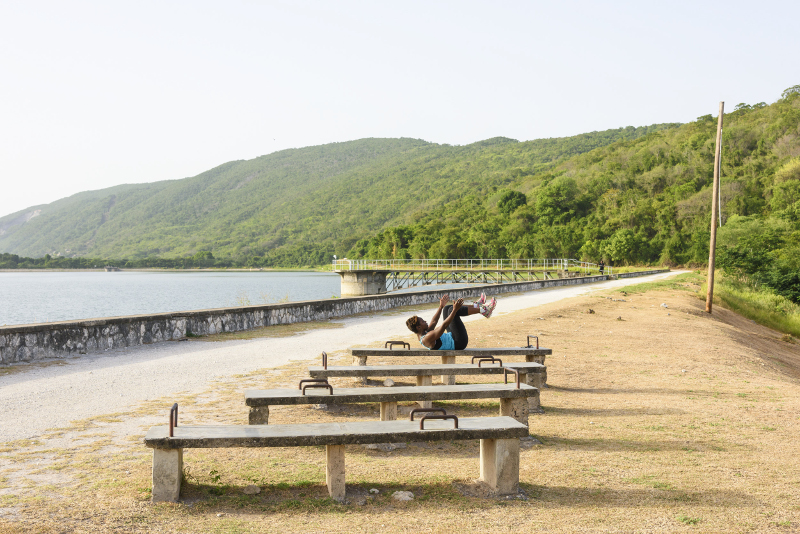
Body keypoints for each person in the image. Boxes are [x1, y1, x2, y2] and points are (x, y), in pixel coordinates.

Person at [405, 293, 497, 350]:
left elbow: (434, 322)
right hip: (459, 342)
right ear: (419, 327)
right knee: (452, 310)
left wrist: (441, 307)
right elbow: (444, 325)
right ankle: (484, 310)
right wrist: (455, 310)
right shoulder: (427, 338)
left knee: (446, 308)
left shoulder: (423, 333)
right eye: (422, 321)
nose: (425, 321)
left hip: (453, 337)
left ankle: (477, 306)